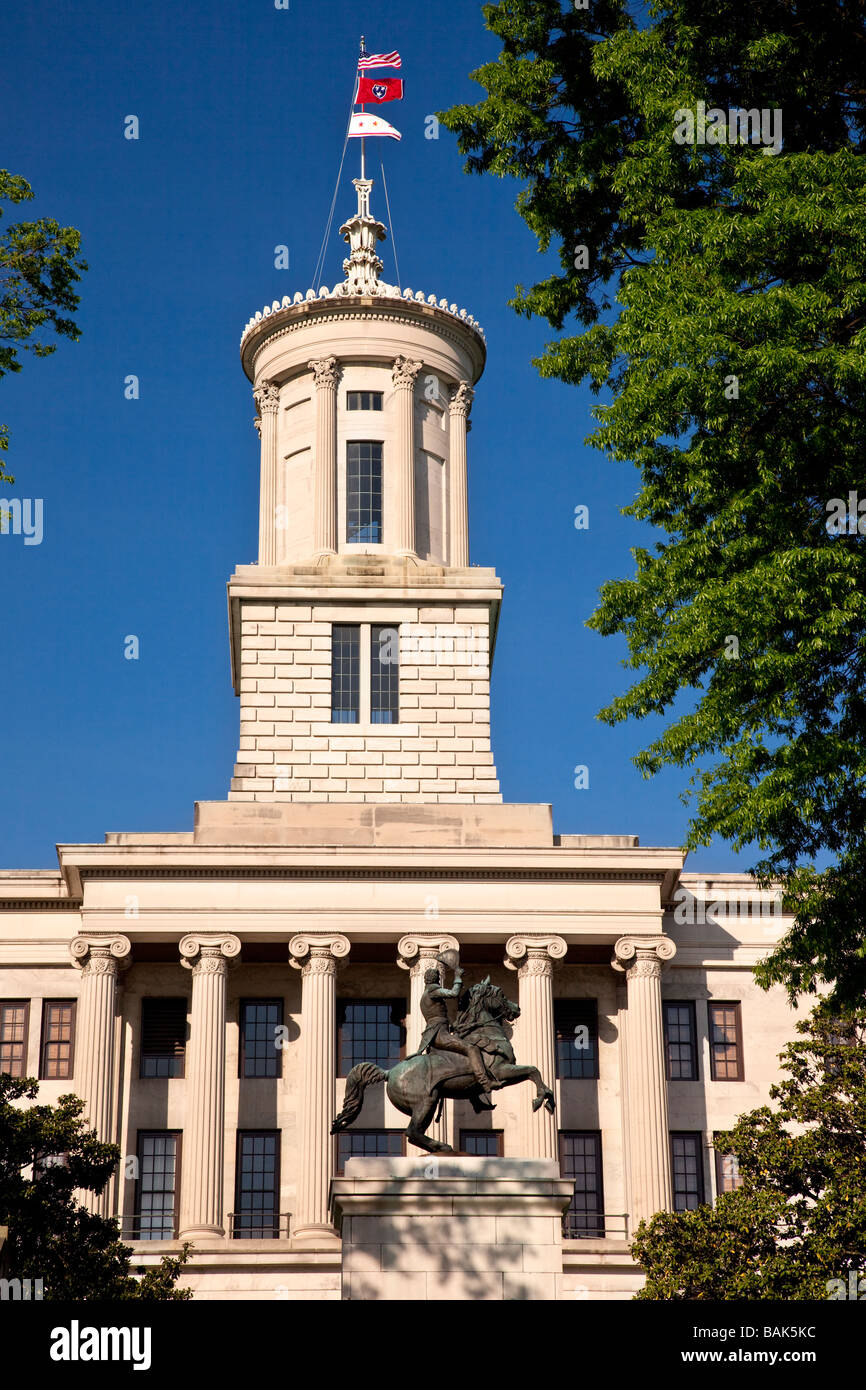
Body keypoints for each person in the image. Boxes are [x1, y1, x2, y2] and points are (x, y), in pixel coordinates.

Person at [415, 965, 495, 1109]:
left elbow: (437, 1017)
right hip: (439, 1034)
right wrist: (457, 977)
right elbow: (453, 993)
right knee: (471, 1049)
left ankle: (475, 1101)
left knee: (463, 1061)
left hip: (439, 1031)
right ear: (435, 979)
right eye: (438, 978)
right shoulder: (432, 990)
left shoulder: (425, 995)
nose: (438, 980)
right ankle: (485, 1082)